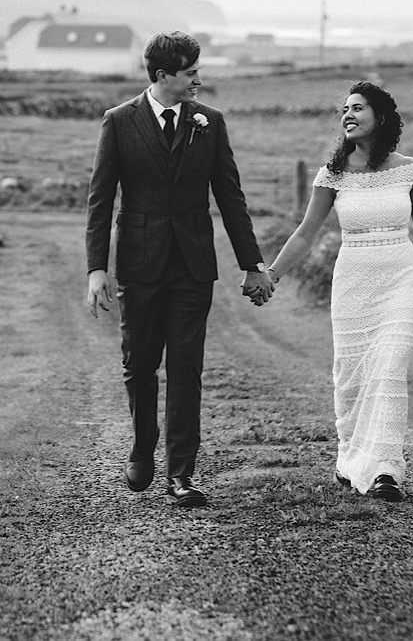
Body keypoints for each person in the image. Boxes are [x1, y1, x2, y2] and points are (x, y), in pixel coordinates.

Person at [85, 31, 274, 508]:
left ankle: (181, 474)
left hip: (193, 266)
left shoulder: (210, 122)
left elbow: (230, 197)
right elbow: (100, 200)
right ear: (163, 76)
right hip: (139, 265)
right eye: (191, 73)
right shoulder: (119, 122)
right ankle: (141, 448)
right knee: (140, 365)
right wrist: (96, 270)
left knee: (186, 369)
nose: (198, 80)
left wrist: (252, 263)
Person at [265, 80, 413, 501]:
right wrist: (272, 274)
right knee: (352, 378)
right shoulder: (332, 175)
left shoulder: (411, 170)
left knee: (387, 370)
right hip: (352, 279)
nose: (348, 115)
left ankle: (385, 468)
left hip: (401, 278)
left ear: (380, 118)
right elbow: (305, 234)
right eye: (345, 110)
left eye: (358, 108)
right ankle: (350, 456)